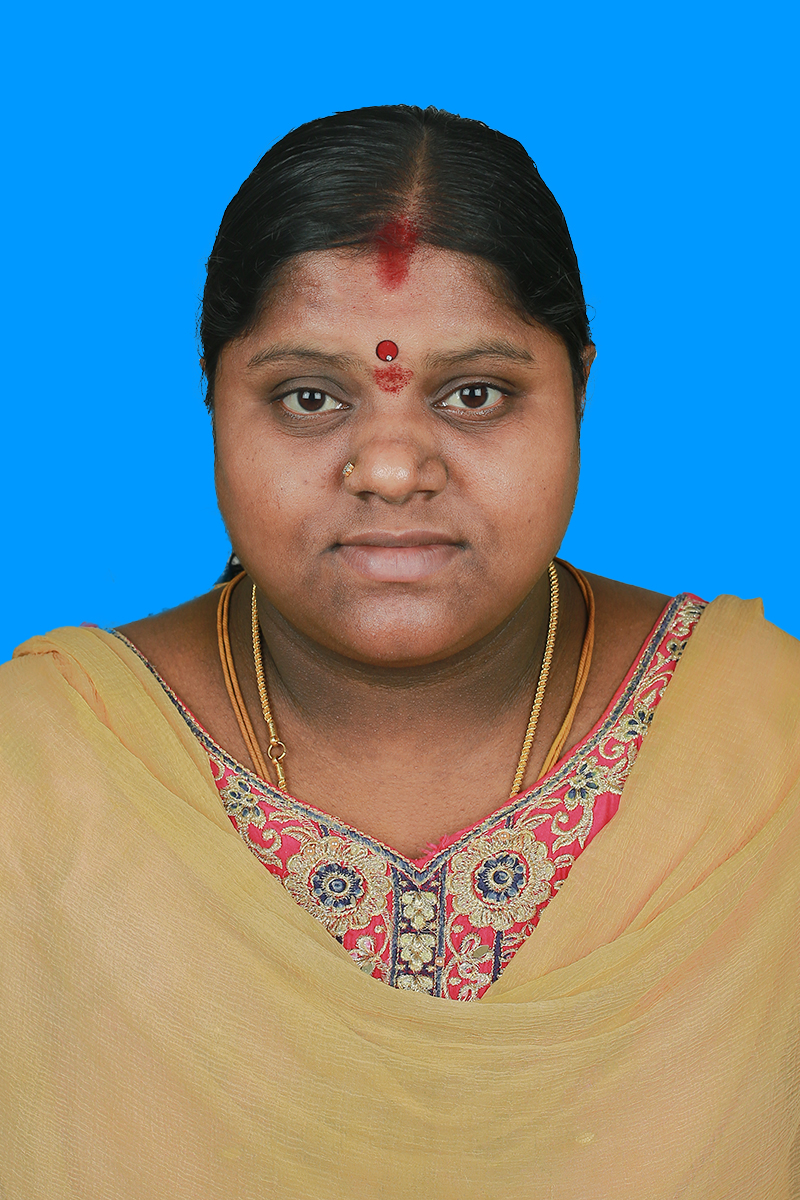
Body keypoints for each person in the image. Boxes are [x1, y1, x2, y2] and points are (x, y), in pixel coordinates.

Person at [1, 105, 798, 1199]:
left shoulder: (767, 748)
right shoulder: (40, 771)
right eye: (307, 397)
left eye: (474, 395)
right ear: (212, 396)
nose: (387, 470)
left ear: (580, 388)